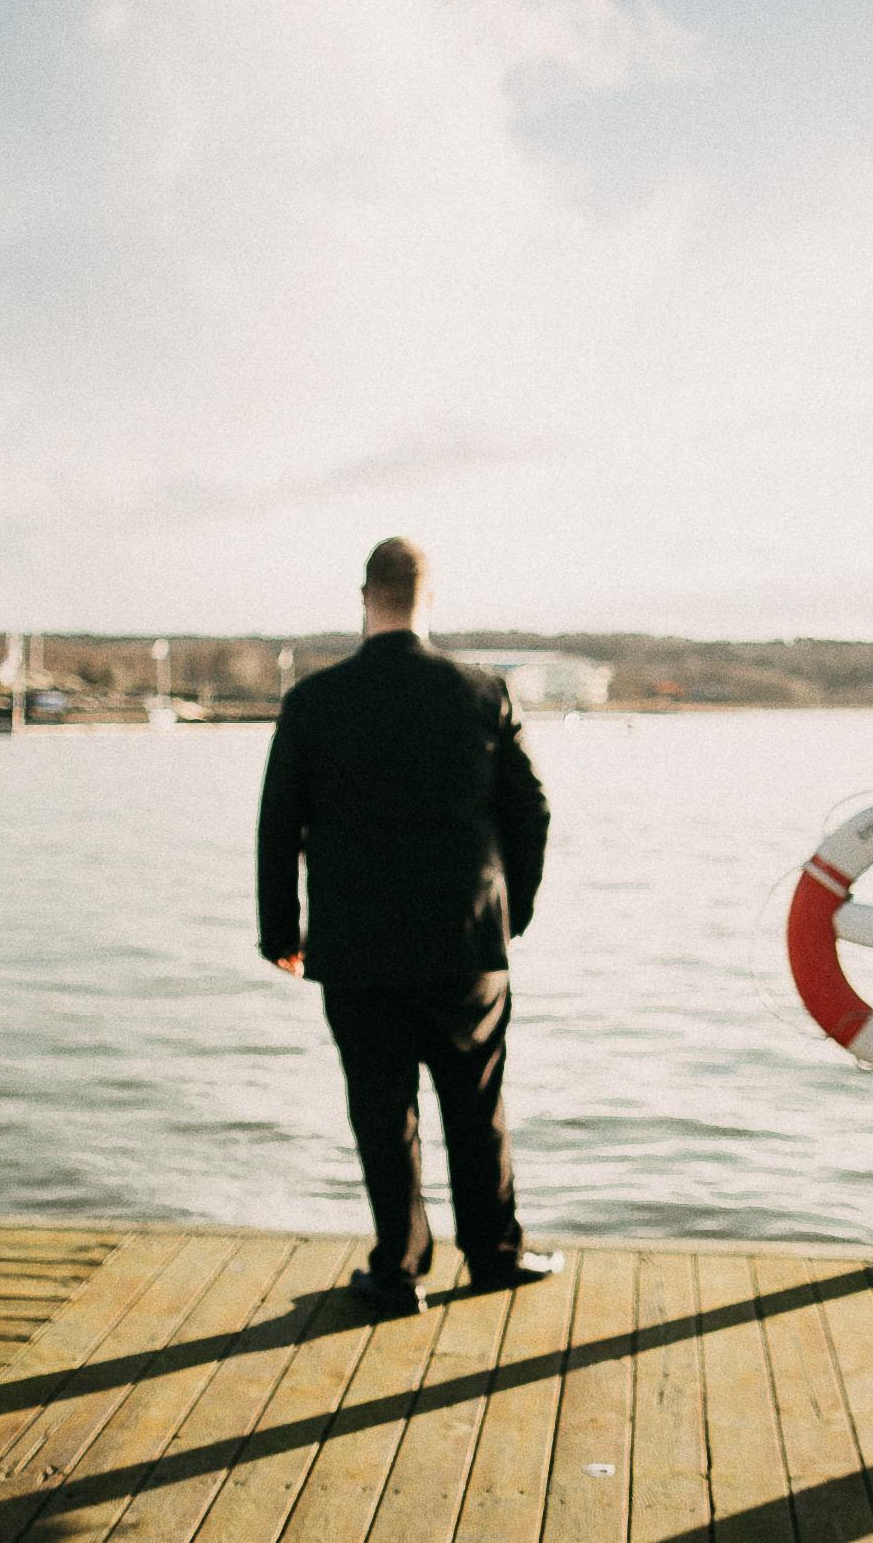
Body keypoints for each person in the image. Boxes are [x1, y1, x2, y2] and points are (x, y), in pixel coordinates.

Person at [256, 537, 561, 1313]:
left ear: (365, 595)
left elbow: (278, 825)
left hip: (356, 951)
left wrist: (280, 932)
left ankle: (399, 1271)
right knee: (476, 1103)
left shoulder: (314, 702)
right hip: (467, 944)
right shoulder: (482, 691)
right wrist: (509, 912)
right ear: (431, 599)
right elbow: (532, 810)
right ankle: (494, 1255)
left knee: (382, 1111)